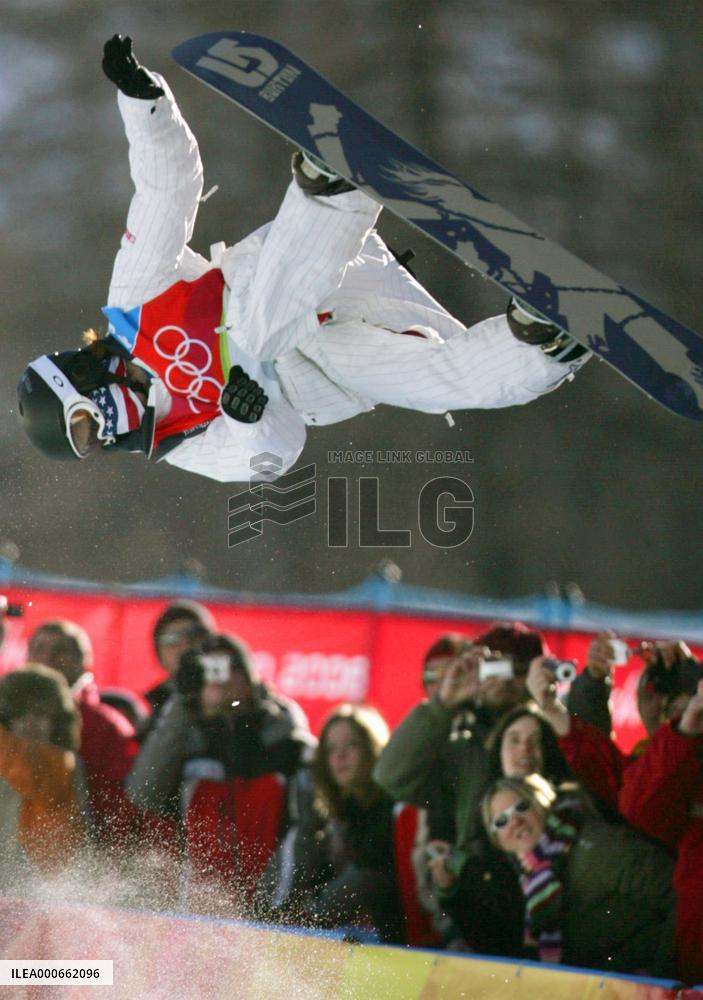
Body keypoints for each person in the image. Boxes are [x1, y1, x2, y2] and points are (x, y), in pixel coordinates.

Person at [16, 36, 590, 484]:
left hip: (296, 270)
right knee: (436, 383)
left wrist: (146, 109)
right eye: (90, 445)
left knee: (257, 333)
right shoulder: (181, 442)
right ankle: (543, 343)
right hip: (319, 368)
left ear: (80, 380)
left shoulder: (133, 307)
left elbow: (167, 195)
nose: (103, 437)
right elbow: (275, 457)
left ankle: (332, 193)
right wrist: (247, 420)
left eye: (85, 425)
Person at [126, 632, 315, 909]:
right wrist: (182, 699)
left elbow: (304, 829)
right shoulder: (185, 740)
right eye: (207, 669)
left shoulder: (284, 740)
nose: (218, 677)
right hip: (197, 913)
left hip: (270, 912)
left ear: (250, 677)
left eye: (229, 666)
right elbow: (143, 792)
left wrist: (269, 906)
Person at [480, 774, 676, 977]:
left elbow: (681, 897)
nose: (516, 821)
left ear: (542, 804)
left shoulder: (598, 844)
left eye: (521, 807)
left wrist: (662, 976)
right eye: (501, 820)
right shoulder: (528, 881)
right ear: (497, 840)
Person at [259, 704, 404, 943]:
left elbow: (368, 878)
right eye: (330, 749)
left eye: (352, 745)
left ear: (373, 748)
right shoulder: (331, 816)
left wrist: (307, 916)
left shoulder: (389, 808)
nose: (340, 756)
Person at [27, 619, 139, 845]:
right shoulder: (9, 719)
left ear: (83, 661)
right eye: (39, 648)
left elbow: (122, 805)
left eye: (60, 651)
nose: (47, 658)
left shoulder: (108, 725)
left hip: (83, 855)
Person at [0, 665, 85, 887]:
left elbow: (25, 767)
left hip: (42, 895)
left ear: (58, 720)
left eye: (39, 714)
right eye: (19, 714)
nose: (30, 723)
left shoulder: (61, 762)